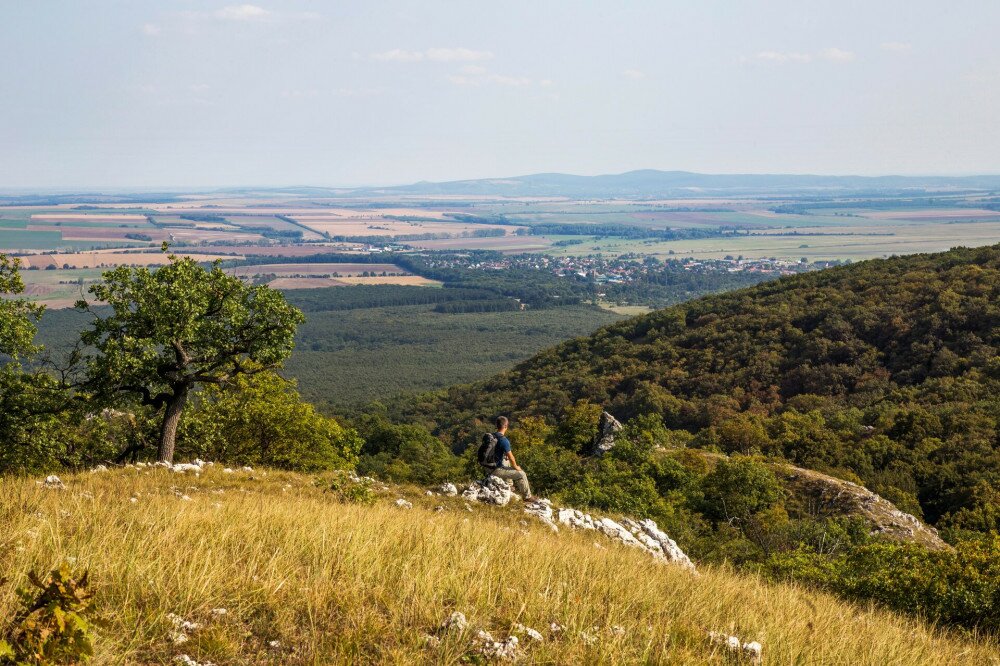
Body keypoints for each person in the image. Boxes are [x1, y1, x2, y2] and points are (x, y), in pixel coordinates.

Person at [489, 416, 534, 501]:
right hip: (495, 470)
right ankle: (527, 497)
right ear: (506, 426)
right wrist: (516, 467)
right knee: (521, 474)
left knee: (506, 460)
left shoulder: (491, 436)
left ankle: (509, 485)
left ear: (497, 425)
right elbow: (511, 457)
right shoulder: (503, 440)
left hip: (486, 467)